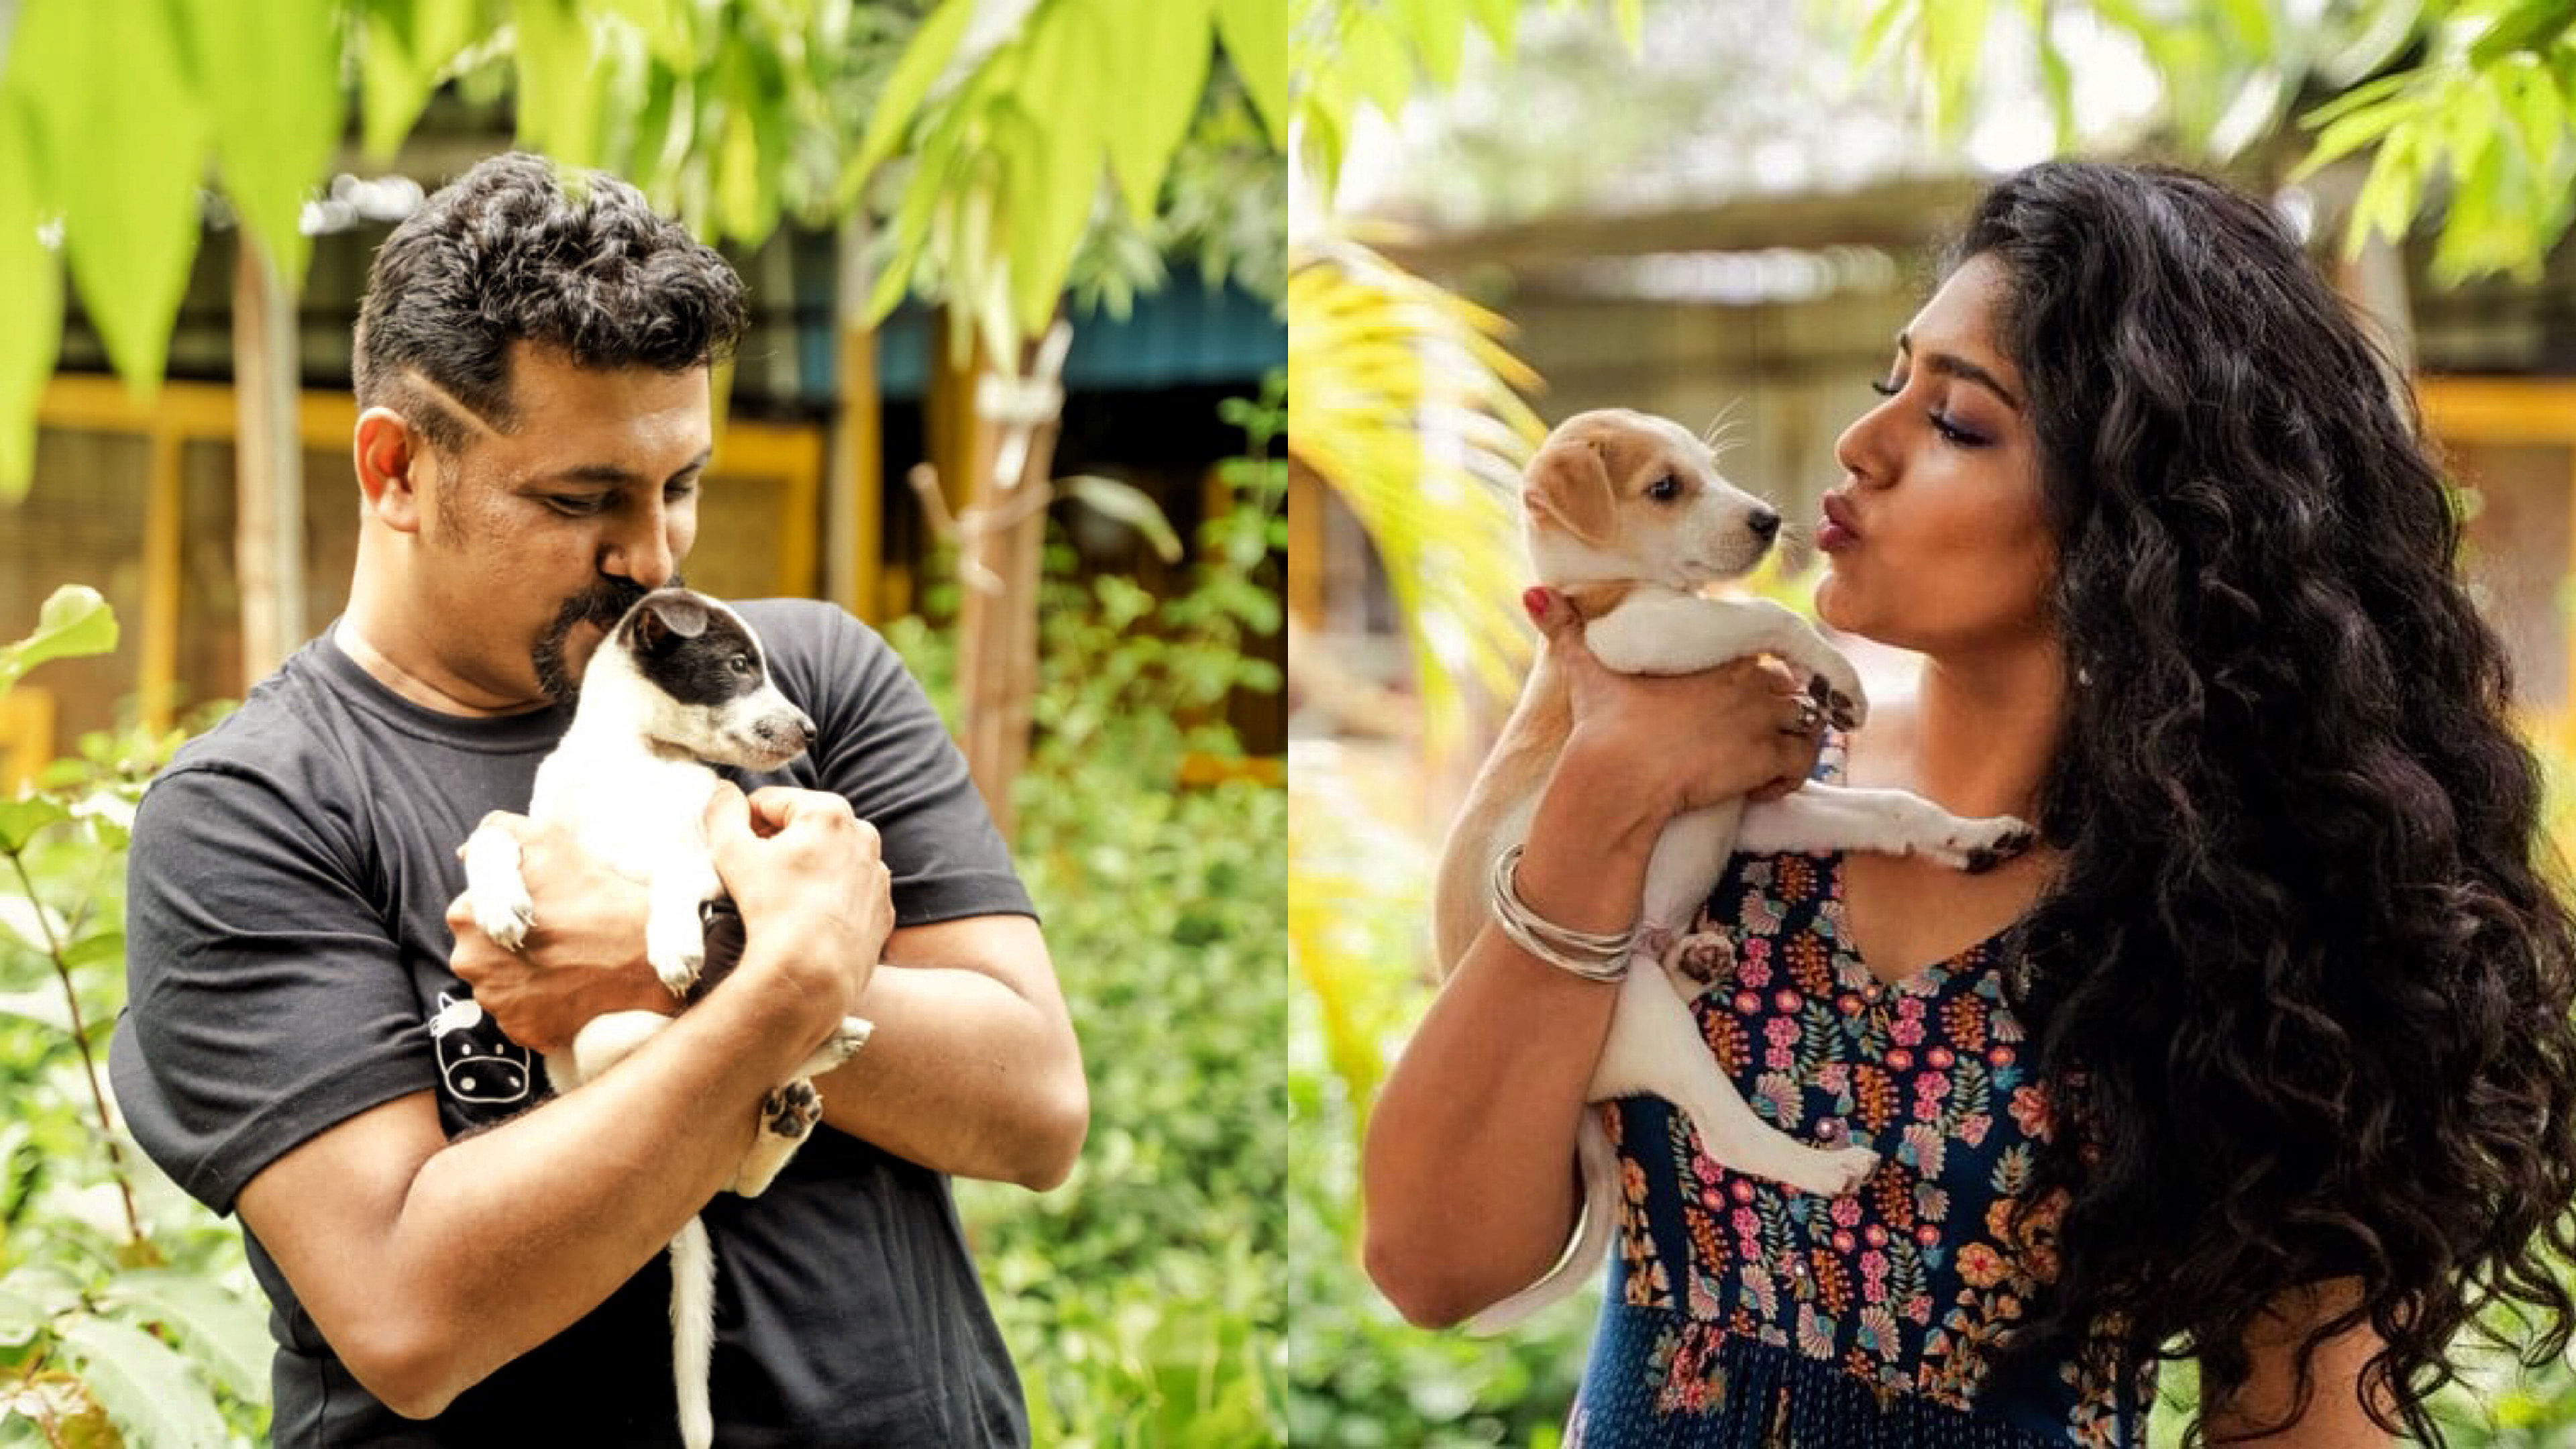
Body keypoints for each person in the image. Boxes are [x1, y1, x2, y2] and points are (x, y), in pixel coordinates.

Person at [1362, 159, 2576, 1446]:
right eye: (1894, 383)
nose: (1859, 443)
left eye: (1957, 424)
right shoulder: (1725, 799)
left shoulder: (2238, 912)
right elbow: (1435, 1266)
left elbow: (2305, 1425)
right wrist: (1604, 788)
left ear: (2135, 516)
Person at [110, 152, 1088, 1446]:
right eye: (582, 501)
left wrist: (658, 959)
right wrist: (793, 982)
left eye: (679, 484)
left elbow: (1033, 1108)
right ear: (395, 470)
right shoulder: (254, 812)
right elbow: (411, 1317)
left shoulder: (803, 682)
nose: (654, 554)